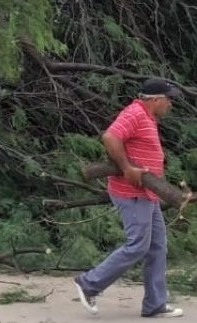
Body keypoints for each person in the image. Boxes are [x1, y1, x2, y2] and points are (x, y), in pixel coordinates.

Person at [74, 79, 183, 318]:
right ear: (155, 99)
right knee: (138, 246)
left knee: (157, 247)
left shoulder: (147, 117)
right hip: (131, 194)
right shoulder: (135, 112)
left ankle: (155, 303)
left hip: (147, 194)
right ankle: (89, 283)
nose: (170, 104)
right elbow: (110, 137)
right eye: (168, 99)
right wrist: (127, 168)